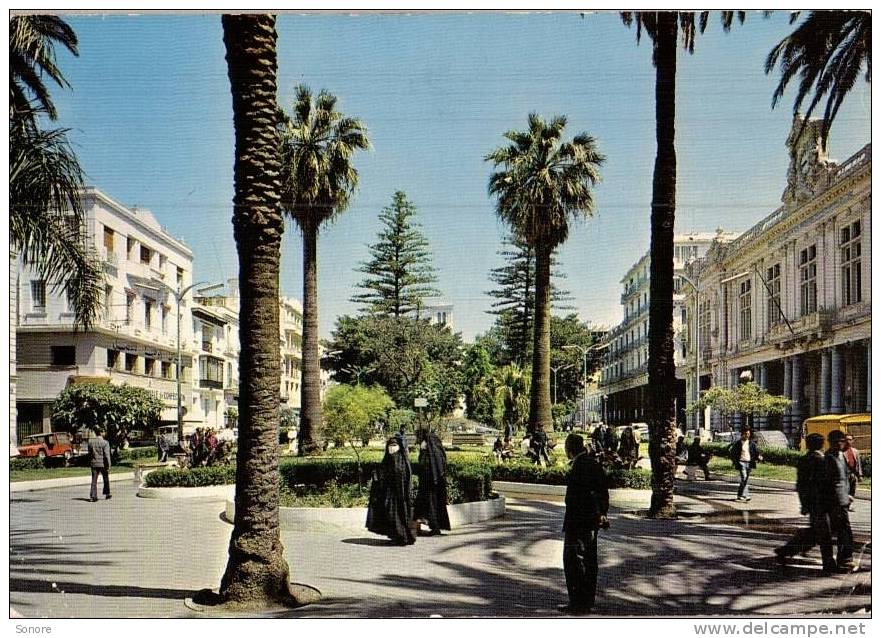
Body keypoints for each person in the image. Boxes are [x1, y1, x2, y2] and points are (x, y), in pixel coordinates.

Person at [559, 433, 609, 616]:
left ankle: (578, 603)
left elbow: (580, 496)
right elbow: (603, 491)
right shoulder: (593, 463)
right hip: (589, 522)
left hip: (578, 522)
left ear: (569, 448)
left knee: (574, 562)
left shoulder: (580, 466)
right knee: (588, 560)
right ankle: (586, 602)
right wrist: (602, 514)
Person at [775, 433, 839, 572]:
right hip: (821, 502)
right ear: (821, 444)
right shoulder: (821, 460)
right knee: (824, 533)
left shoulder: (804, 460)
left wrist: (804, 502)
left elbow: (800, 484)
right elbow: (825, 483)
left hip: (812, 501)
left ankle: (786, 551)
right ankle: (828, 563)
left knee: (817, 532)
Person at [366, 437, 416, 545]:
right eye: (389, 446)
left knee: (398, 517)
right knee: (389, 516)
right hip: (389, 495)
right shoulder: (387, 459)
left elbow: (403, 477)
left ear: (399, 447)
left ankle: (402, 537)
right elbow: (383, 473)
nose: (391, 448)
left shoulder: (401, 460)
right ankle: (395, 536)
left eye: (394, 446)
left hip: (399, 496)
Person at [825, 430, 855, 571]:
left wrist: (848, 494)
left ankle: (845, 558)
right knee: (843, 530)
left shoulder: (841, 455)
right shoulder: (829, 458)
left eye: (842, 441)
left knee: (844, 530)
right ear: (830, 442)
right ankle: (844, 559)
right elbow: (829, 482)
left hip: (842, 499)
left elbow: (846, 477)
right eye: (837, 441)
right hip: (834, 501)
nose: (841, 443)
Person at [415, 431, 451, 536]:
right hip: (435, 483)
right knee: (432, 505)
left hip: (429, 484)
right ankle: (433, 527)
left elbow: (424, 465)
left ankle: (435, 528)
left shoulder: (428, 451)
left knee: (430, 505)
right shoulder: (436, 450)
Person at [729, 429, 761, 501]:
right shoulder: (738, 443)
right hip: (741, 462)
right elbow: (732, 453)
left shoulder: (751, 443)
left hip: (749, 463)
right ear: (742, 434)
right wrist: (735, 461)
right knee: (744, 477)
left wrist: (759, 457)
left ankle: (739, 495)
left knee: (745, 479)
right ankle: (745, 495)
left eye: (748, 434)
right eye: (746, 434)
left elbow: (756, 452)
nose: (747, 435)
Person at [87, 428, 112, 502]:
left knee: (94, 480)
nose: (105, 433)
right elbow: (107, 455)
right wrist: (109, 465)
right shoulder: (105, 443)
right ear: (101, 433)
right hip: (103, 464)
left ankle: (93, 496)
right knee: (106, 479)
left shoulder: (91, 442)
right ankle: (107, 493)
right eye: (104, 432)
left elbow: (89, 454)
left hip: (94, 463)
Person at [841, 433, 862, 510]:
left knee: (852, 490)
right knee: (845, 489)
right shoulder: (841, 452)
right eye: (846, 439)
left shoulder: (855, 451)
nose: (848, 441)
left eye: (850, 439)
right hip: (844, 475)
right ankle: (844, 504)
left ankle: (849, 504)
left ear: (852, 441)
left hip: (853, 474)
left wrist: (859, 475)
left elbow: (858, 464)